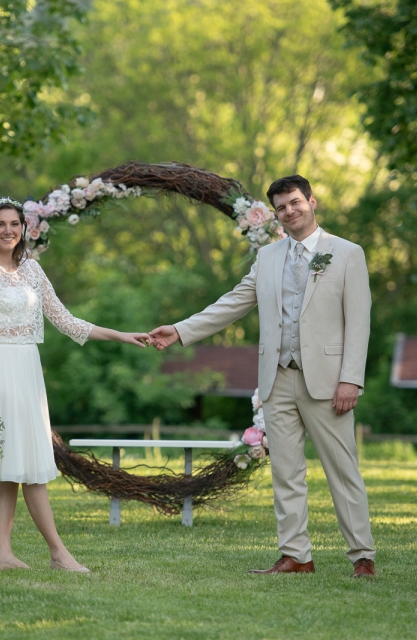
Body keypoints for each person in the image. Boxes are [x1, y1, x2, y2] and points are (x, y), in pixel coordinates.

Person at [149, 175, 376, 578]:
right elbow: (233, 302)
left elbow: (359, 321)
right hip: (277, 379)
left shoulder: (346, 253)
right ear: (276, 214)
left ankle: (361, 556)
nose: (290, 212)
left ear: (312, 201)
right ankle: (296, 556)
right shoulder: (268, 258)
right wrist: (182, 330)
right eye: (282, 207)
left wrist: (351, 379)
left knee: (343, 471)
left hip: (328, 381)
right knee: (286, 472)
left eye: (295, 203)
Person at [0, 197, 149, 573]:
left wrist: (121, 336)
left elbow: (66, 320)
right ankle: (58, 553)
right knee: (23, 464)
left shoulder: (32, 269)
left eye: (15, 224)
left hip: (28, 368)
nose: (9, 231)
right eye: (1, 225)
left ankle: (2, 554)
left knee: (17, 465)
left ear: (24, 229)